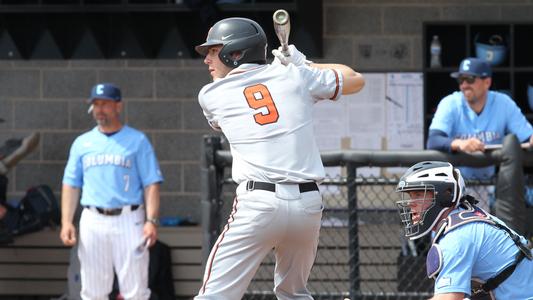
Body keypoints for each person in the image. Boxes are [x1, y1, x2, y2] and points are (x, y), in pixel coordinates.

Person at [194, 17, 364, 299]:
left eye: (213, 51)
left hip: (258, 205)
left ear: (234, 53)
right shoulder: (295, 76)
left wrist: (289, 69)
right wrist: (301, 63)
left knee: (214, 295)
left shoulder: (211, 94)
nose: (207, 60)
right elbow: (356, 79)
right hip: (308, 208)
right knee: (294, 293)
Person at [60, 83, 163, 300]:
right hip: (93, 219)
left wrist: (151, 220)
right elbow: (71, 184)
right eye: (96, 104)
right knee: (93, 290)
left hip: (129, 217)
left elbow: (151, 183)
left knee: (135, 290)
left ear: (118, 106)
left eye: (105, 104)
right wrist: (67, 221)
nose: (99, 109)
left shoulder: (137, 140)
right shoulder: (82, 143)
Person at [395, 161, 533, 300]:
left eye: (419, 194)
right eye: (411, 196)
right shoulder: (463, 215)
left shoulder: (456, 236)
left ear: (446, 194)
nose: (411, 204)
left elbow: (449, 298)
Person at [426, 57, 533, 210]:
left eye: (469, 79)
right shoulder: (451, 103)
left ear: (487, 82)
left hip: (487, 184)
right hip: (452, 186)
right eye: (461, 80)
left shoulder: (503, 103)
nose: (464, 85)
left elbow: (527, 136)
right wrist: (460, 144)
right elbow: (433, 140)